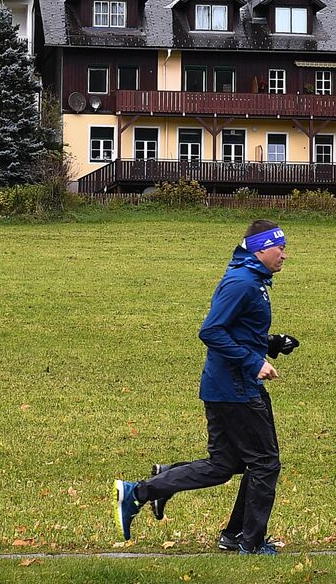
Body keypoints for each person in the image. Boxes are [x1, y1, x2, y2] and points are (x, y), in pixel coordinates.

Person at [114, 219, 299, 555]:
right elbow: (211, 331)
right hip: (237, 390)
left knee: (224, 465)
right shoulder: (242, 282)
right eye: (281, 248)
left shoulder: (252, 280)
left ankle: (141, 492)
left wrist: (271, 343)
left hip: (227, 387)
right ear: (260, 248)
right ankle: (250, 543)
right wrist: (254, 362)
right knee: (264, 463)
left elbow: (236, 330)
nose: (285, 255)